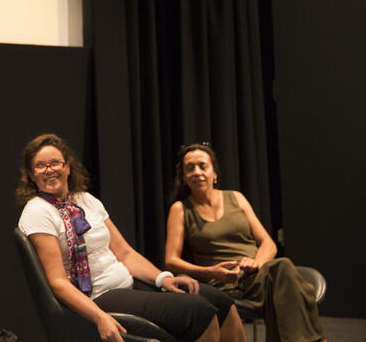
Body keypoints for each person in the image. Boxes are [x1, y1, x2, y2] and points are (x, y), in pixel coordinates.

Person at [17, 133, 244, 342]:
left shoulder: (86, 200)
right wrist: (98, 317)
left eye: (55, 163)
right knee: (198, 312)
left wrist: (162, 278)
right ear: (31, 175)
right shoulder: (38, 211)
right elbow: (57, 282)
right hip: (98, 296)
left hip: (128, 282)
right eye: (40, 166)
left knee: (220, 301)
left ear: (67, 167)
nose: (49, 170)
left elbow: (124, 252)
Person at [164, 143, 326, 342]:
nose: (197, 172)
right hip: (223, 280)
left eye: (202, 166)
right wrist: (211, 271)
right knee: (288, 280)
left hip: (257, 273)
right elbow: (171, 261)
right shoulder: (180, 209)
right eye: (190, 168)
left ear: (214, 173)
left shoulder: (236, 198)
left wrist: (255, 262)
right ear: (184, 178)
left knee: (281, 270)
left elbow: (268, 243)